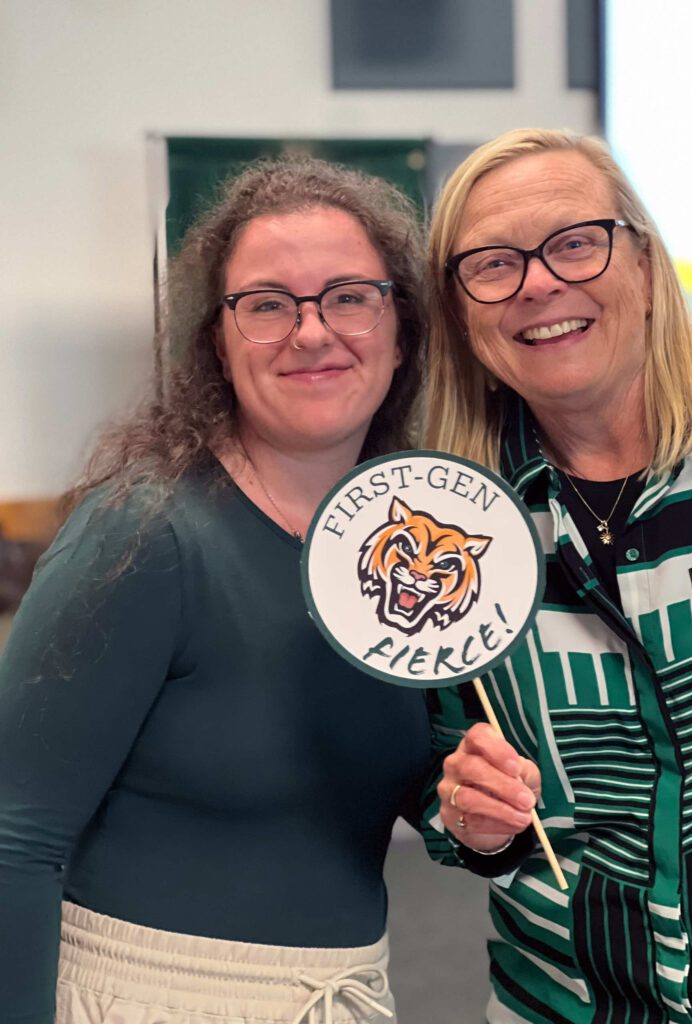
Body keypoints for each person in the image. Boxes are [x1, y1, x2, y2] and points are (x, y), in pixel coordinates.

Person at [0, 156, 430, 1024]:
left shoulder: (412, 550)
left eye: (349, 295)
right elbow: (15, 836)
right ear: (218, 341)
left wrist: (472, 813)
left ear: (401, 329)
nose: (313, 333)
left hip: (344, 995)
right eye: (268, 305)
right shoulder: (145, 533)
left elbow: (380, 781)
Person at [421, 128, 692, 1024]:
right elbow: (428, 766)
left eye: (576, 242)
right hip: (572, 1003)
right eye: (492, 264)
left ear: (645, 264)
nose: (540, 283)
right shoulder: (447, 524)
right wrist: (466, 816)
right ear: (462, 311)